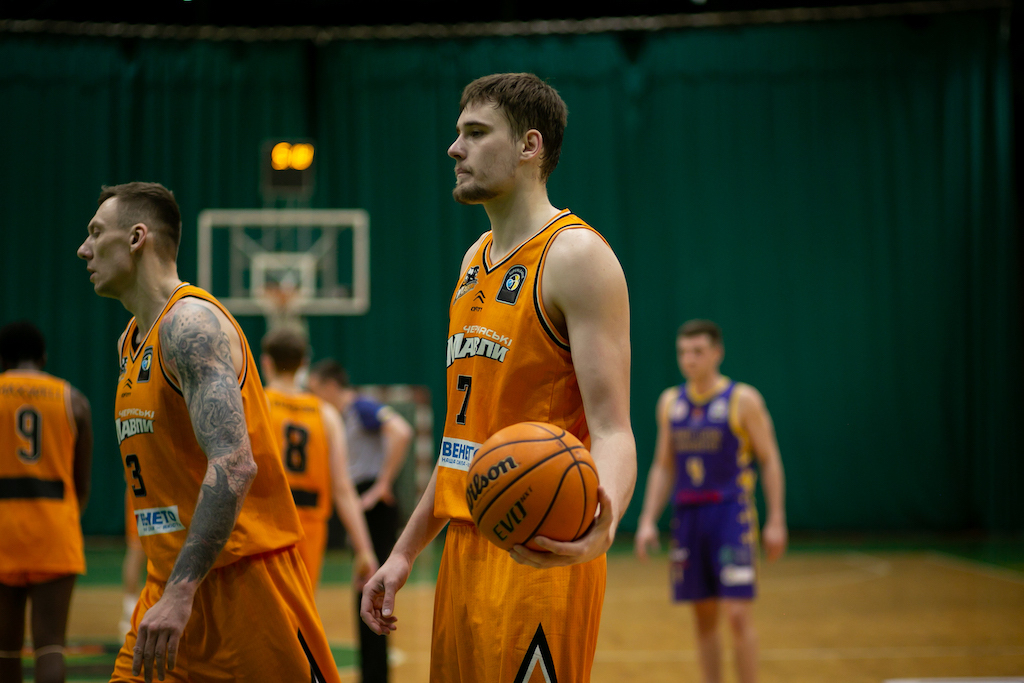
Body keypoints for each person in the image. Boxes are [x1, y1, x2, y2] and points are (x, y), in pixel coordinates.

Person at [360, 73, 636, 683]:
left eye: (475, 133)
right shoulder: (473, 260)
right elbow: (463, 443)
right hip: (462, 550)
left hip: (539, 545)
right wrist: (404, 552)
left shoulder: (576, 257)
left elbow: (614, 428)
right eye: (458, 133)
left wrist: (604, 522)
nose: (454, 149)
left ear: (529, 146)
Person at [77, 181, 342, 683]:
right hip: (168, 586)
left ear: (136, 237)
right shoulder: (130, 341)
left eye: (95, 232)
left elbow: (235, 464)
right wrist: (173, 590)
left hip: (239, 589)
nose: (83, 249)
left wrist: (181, 592)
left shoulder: (191, 326)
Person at [634, 319, 788, 683]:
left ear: (717, 353)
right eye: (683, 352)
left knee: (737, 615)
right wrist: (646, 519)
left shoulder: (742, 399)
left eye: (698, 351)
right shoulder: (670, 402)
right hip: (688, 516)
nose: (689, 359)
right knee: (703, 617)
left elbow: (769, 459)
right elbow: (663, 465)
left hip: (730, 515)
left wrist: (776, 519)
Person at [307, 358, 413, 683]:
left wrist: (382, 484)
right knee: (364, 587)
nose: (314, 397)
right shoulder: (341, 418)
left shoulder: (361, 408)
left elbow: (402, 432)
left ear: (331, 386)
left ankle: (376, 675)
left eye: (316, 390)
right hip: (361, 504)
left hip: (373, 505)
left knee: (372, 587)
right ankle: (372, 674)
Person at [0, 320, 93, 683]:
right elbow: (81, 484)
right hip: (54, 530)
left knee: (4, 650)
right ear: (43, 358)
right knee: (51, 646)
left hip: (3, 529)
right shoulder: (74, 400)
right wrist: (67, 518)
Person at [259, 327, 378, 590]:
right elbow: (343, 489)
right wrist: (365, 550)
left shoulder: (258, 405)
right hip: (310, 529)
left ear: (266, 362)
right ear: (304, 363)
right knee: (302, 609)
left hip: (265, 524)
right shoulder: (326, 415)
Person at [119, 490, 146, 641]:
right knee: (136, 548)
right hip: (146, 491)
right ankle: (130, 609)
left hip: (140, 490)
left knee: (136, 549)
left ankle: (129, 610)